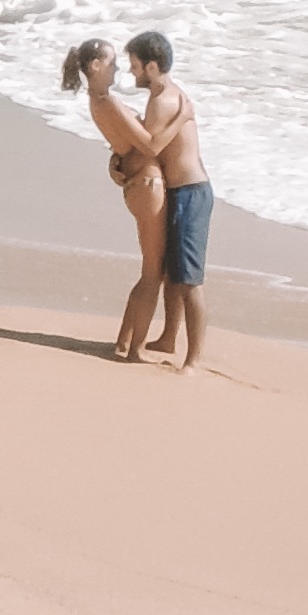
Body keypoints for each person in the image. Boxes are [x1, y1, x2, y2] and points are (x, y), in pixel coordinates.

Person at [76, 29, 212, 366]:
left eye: (135, 65)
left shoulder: (163, 101)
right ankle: (155, 341)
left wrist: (122, 161)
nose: (128, 71)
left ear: (151, 67)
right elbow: (144, 147)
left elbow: (148, 146)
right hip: (168, 189)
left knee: (183, 279)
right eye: (122, 65)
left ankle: (186, 357)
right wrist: (119, 161)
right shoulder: (152, 101)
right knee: (165, 273)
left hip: (188, 191)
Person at [57, 39, 173, 341]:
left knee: (151, 272)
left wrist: (116, 159)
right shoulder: (107, 101)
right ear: (96, 66)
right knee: (152, 275)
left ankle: (125, 340)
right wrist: (184, 117)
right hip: (148, 185)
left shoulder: (97, 101)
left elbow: (123, 144)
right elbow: (148, 144)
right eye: (112, 62)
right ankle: (133, 348)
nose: (118, 67)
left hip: (138, 184)